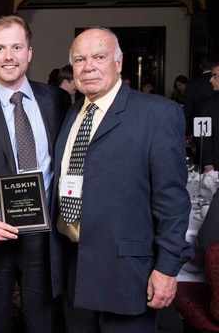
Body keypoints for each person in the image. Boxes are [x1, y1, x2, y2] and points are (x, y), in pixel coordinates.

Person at [55, 27, 193, 332]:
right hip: (75, 263)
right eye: (79, 59)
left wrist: (167, 268)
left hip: (128, 270)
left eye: (99, 56)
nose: (88, 65)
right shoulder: (73, 112)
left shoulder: (157, 114)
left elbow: (173, 202)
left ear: (119, 63)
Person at [0, 15, 68, 333]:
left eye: (16, 47)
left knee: (43, 323)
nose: (9, 56)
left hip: (47, 237)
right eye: (0, 48)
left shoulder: (57, 100)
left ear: (29, 53)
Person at [184, 54, 216, 137]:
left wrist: (186, 132)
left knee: (201, 148)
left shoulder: (193, 85)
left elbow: (188, 109)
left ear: (201, 66)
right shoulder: (216, 82)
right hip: (216, 124)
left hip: (200, 126)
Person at [200, 62, 219, 171]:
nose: (210, 80)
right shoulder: (209, 104)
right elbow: (205, 138)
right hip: (216, 168)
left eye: (215, 76)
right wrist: (208, 164)